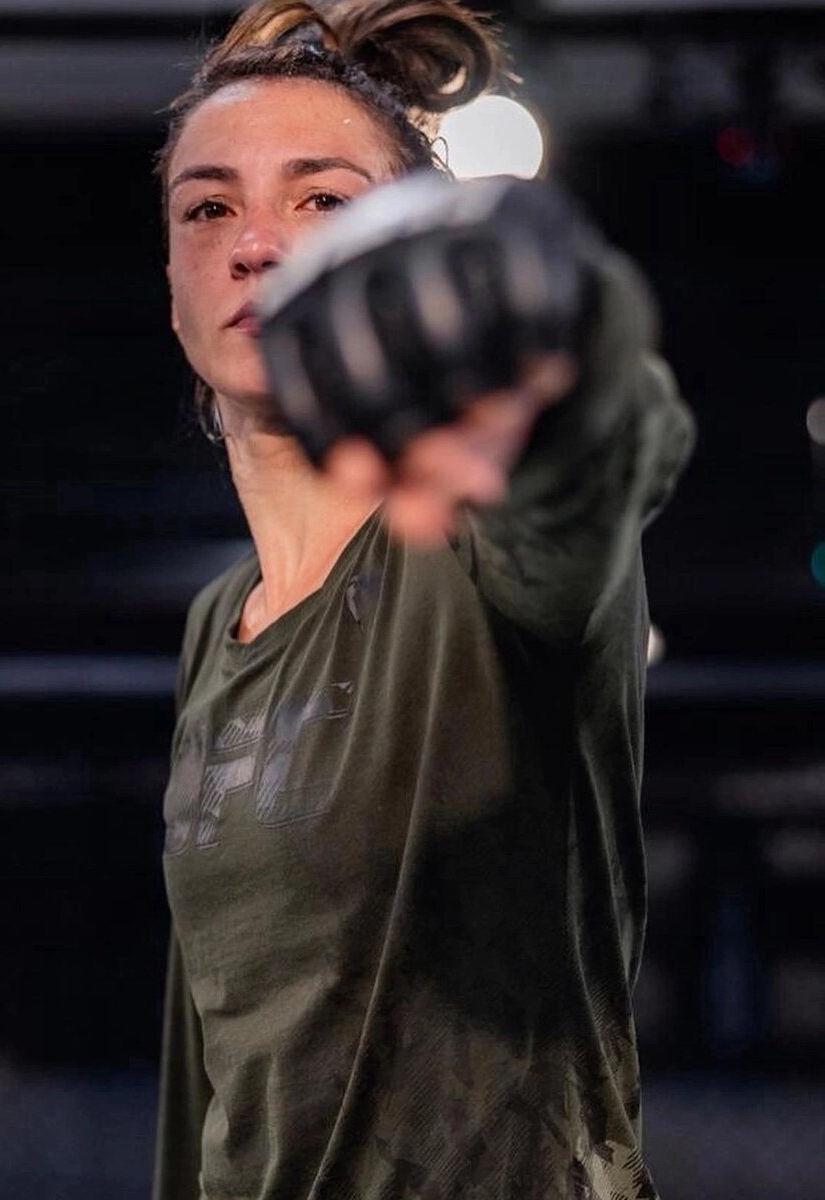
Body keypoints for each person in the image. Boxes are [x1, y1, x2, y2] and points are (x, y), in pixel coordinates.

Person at [154, 1, 694, 1197]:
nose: (256, 243)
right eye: (209, 208)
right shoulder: (217, 625)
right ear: (176, 282)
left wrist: (549, 325)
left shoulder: (482, 548)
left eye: (321, 201)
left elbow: (612, 433)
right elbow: (213, 1075)